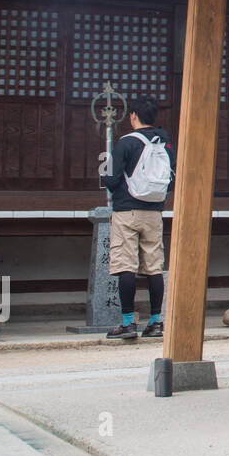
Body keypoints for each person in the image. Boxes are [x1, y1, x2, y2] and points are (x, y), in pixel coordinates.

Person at [100, 96, 174, 341]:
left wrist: (121, 187)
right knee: (154, 267)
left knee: (125, 266)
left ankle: (128, 322)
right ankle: (155, 322)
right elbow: (170, 177)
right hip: (154, 212)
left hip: (126, 211)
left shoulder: (126, 143)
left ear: (133, 116)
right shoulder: (164, 143)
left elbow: (109, 178)